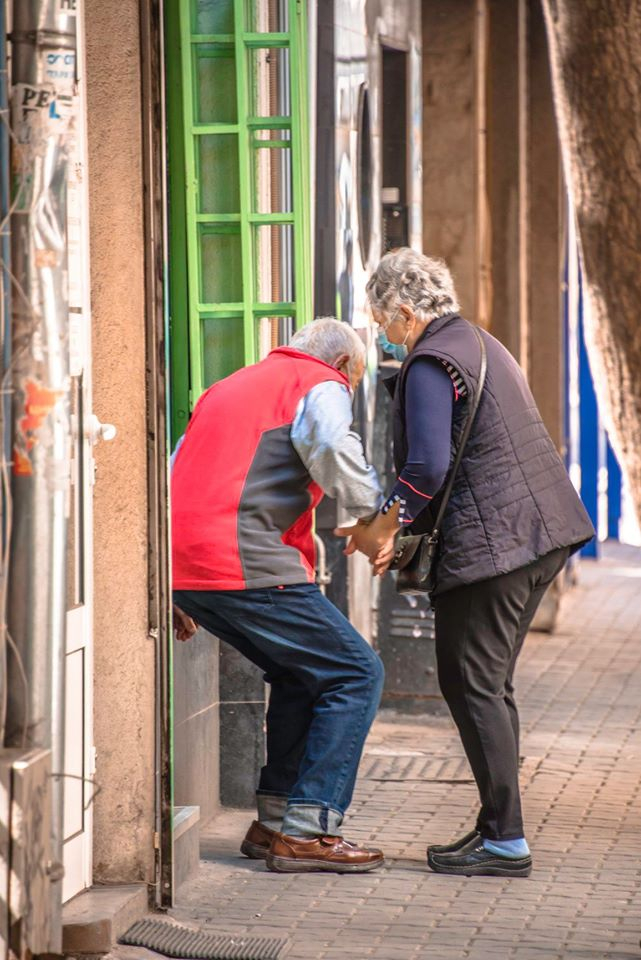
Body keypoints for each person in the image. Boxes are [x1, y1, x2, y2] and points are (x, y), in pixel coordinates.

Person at [337, 248, 594, 878]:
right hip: (536, 535)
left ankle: (506, 840)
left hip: (498, 547)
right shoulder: (477, 342)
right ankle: (494, 827)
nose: (383, 337)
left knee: (472, 683)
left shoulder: (430, 361)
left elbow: (427, 465)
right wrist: (397, 529)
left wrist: (380, 528)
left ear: (403, 311)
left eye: (382, 323)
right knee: (488, 684)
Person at [171, 317, 386, 874]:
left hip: (186, 566)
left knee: (300, 674)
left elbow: (175, 472)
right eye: (352, 383)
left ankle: (273, 823)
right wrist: (375, 514)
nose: (347, 392)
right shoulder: (318, 382)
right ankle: (310, 830)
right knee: (356, 673)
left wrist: (162, 580)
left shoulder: (228, 386)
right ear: (342, 366)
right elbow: (333, 446)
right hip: (243, 560)